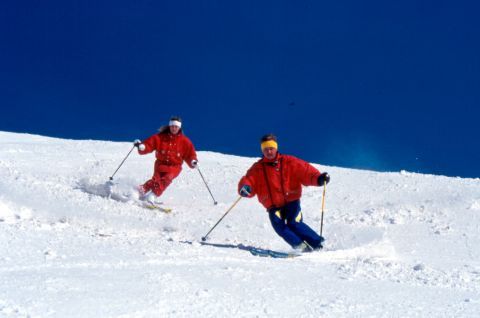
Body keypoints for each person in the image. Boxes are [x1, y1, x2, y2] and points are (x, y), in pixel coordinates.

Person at [237, 134, 330, 252]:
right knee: (279, 226)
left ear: (276, 148)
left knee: (294, 223)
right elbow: (248, 180)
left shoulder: (289, 161)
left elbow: (305, 171)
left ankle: (318, 243)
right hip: (273, 206)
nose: (269, 151)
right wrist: (245, 188)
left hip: (291, 201)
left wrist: (318, 178)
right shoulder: (257, 168)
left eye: (271, 148)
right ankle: (301, 247)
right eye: (265, 149)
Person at [134, 116, 198, 202]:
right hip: (160, 164)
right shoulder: (160, 137)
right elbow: (150, 144)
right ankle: (139, 191)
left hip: (175, 166)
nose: (174, 128)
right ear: (169, 126)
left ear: (179, 127)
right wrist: (142, 147)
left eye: (176, 127)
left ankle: (153, 195)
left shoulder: (185, 141)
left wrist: (193, 161)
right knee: (155, 180)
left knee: (167, 178)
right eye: (172, 126)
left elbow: (190, 154)